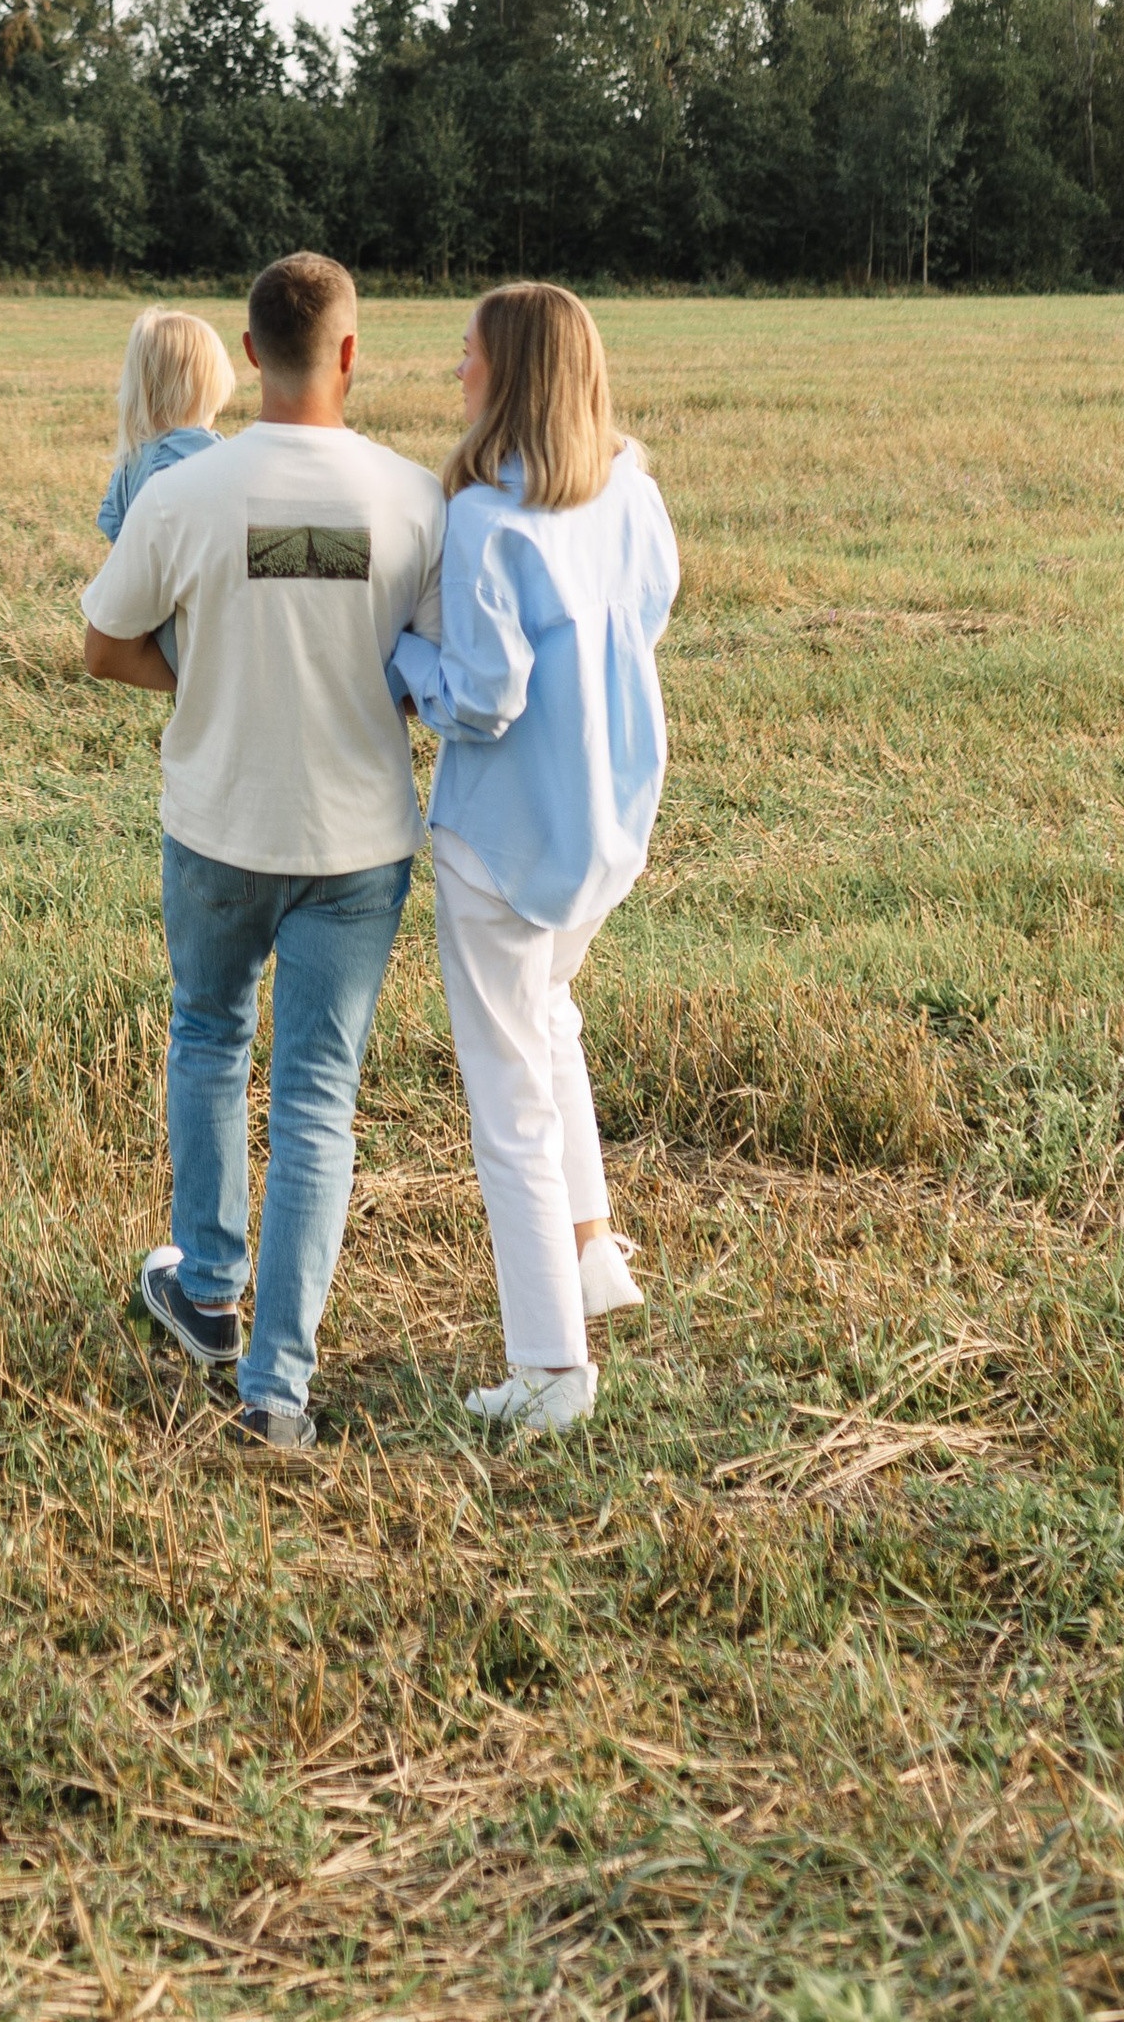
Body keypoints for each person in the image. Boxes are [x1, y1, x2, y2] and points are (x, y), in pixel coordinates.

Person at [81, 252, 446, 1451]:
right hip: (357, 847)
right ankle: (277, 1392)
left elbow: (104, 643)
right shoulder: (406, 498)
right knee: (318, 1104)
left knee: (206, 1037)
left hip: (220, 826)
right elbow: (434, 670)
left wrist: (205, 682)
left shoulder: (180, 496)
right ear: (349, 354)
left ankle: (206, 1290)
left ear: (247, 356)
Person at [388, 283, 678, 1440]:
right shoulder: (634, 494)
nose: (452, 374)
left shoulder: (481, 520)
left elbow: (485, 698)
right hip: (607, 827)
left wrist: (403, 659)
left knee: (505, 1099)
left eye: (464, 358)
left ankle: (551, 1370)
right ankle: (592, 1252)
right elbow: (647, 615)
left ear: (505, 377)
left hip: (502, 845)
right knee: (548, 1019)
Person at [97, 308, 240, 673]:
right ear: (205, 385)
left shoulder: (131, 461)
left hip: (162, 632)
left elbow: (116, 531)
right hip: (205, 627)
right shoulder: (192, 448)